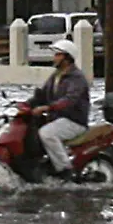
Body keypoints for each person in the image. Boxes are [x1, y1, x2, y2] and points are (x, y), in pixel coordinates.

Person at [26, 39, 90, 176]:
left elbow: (69, 100)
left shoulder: (76, 78)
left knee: (47, 133)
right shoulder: (56, 76)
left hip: (73, 120)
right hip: (57, 118)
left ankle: (65, 170)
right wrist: (25, 104)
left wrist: (47, 108)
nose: (54, 58)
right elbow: (41, 95)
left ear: (67, 57)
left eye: (57, 55)